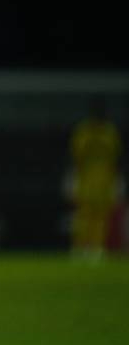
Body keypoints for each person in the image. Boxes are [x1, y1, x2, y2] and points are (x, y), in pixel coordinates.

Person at [67, 98, 123, 259]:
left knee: (101, 216)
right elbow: (73, 157)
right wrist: (72, 179)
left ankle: (97, 248)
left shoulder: (109, 132)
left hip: (105, 180)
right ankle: (80, 247)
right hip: (85, 180)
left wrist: (118, 181)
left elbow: (118, 158)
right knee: (83, 216)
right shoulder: (83, 132)